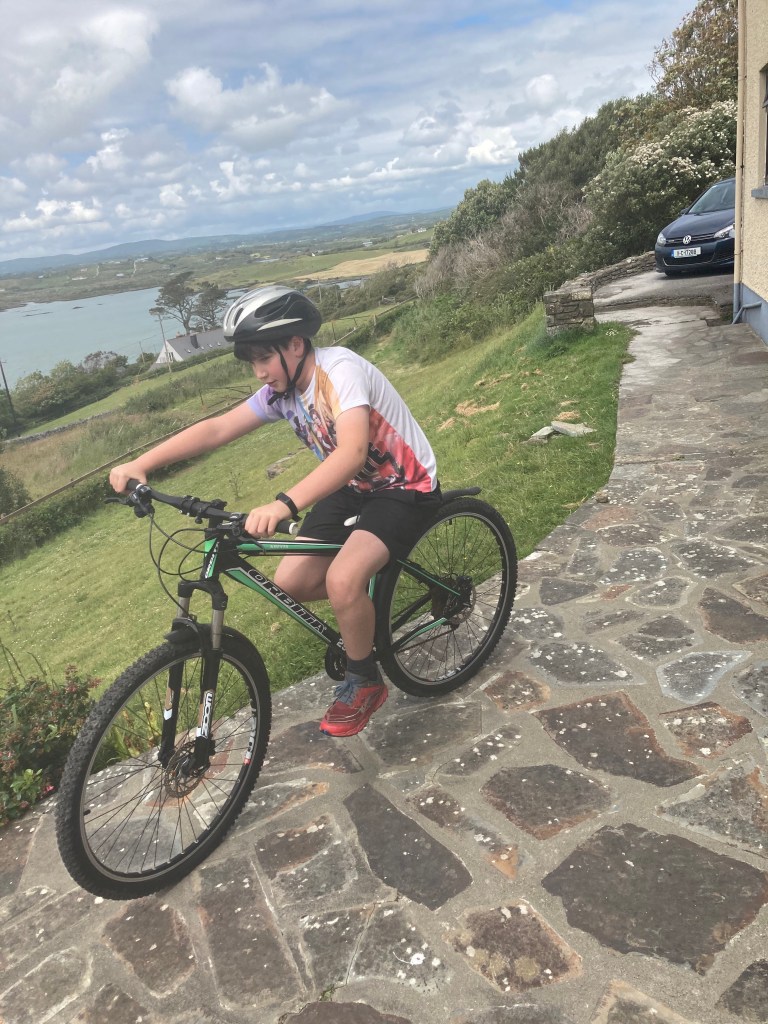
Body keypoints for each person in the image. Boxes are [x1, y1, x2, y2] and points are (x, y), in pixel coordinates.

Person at [109, 285, 441, 737]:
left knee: (343, 579)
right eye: (252, 362)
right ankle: (361, 604)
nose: (259, 372)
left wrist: (284, 503)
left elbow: (351, 452)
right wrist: (143, 463)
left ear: (296, 344)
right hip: (351, 488)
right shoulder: (281, 392)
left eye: (265, 358)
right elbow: (217, 428)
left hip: (402, 486)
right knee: (291, 582)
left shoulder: (339, 371)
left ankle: (365, 680)